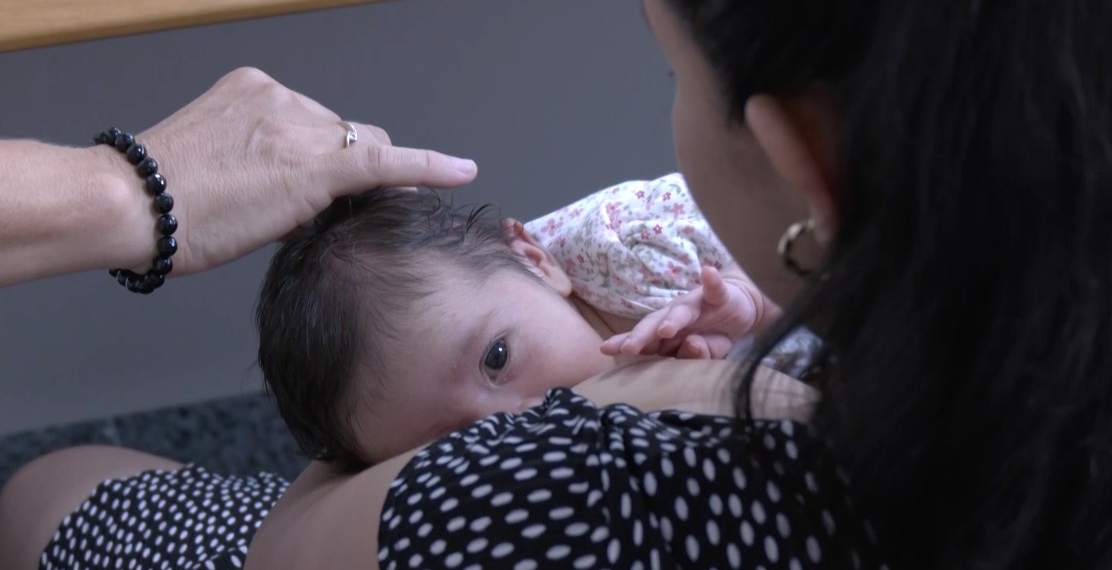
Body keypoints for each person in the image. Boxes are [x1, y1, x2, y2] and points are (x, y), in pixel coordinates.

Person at [4, 0, 1110, 567]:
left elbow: (281, 552)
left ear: (803, 159)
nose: (507, 421)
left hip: (208, 533)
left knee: (55, 488)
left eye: (668, 71)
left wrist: (122, 195)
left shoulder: (577, 494)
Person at [257, 177, 798, 469]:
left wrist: (750, 290)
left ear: (535, 262)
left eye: (497, 359)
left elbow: (811, 221)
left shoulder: (634, 248)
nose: (516, 420)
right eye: (454, 442)